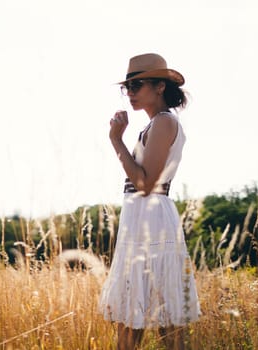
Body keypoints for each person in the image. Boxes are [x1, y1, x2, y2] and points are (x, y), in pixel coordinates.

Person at [98, 53, 200, 350]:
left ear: (159, 86)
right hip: (143, 219)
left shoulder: (164, 122)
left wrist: (116, 141)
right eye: (127, 87)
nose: (130, 92)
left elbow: (145, 184)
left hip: (151, 219)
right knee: (135, 315)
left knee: (158, 319)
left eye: (137, 84)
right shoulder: (155, 124)